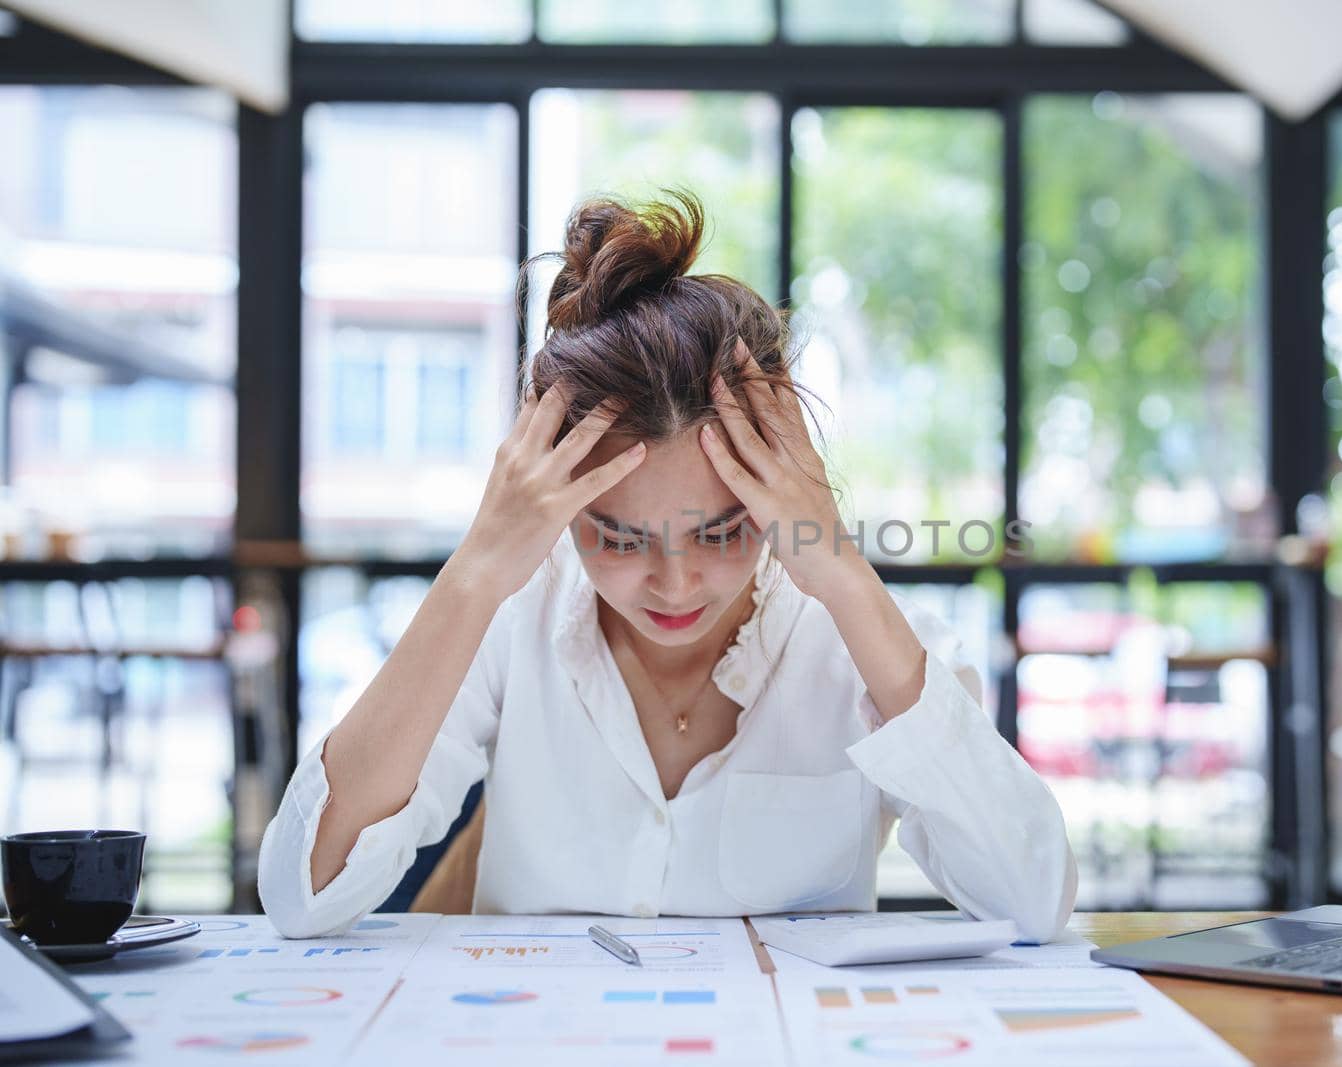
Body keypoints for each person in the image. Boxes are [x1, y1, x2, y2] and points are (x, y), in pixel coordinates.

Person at [257, 188, 1077, 942]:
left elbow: (1033, 901)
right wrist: (475, 570)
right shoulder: (515, 618)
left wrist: (836, 563)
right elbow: (303, 894)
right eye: (617, 538)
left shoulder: (849, 632)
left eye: (722, 532)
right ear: (561, 505)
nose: (677, 584)